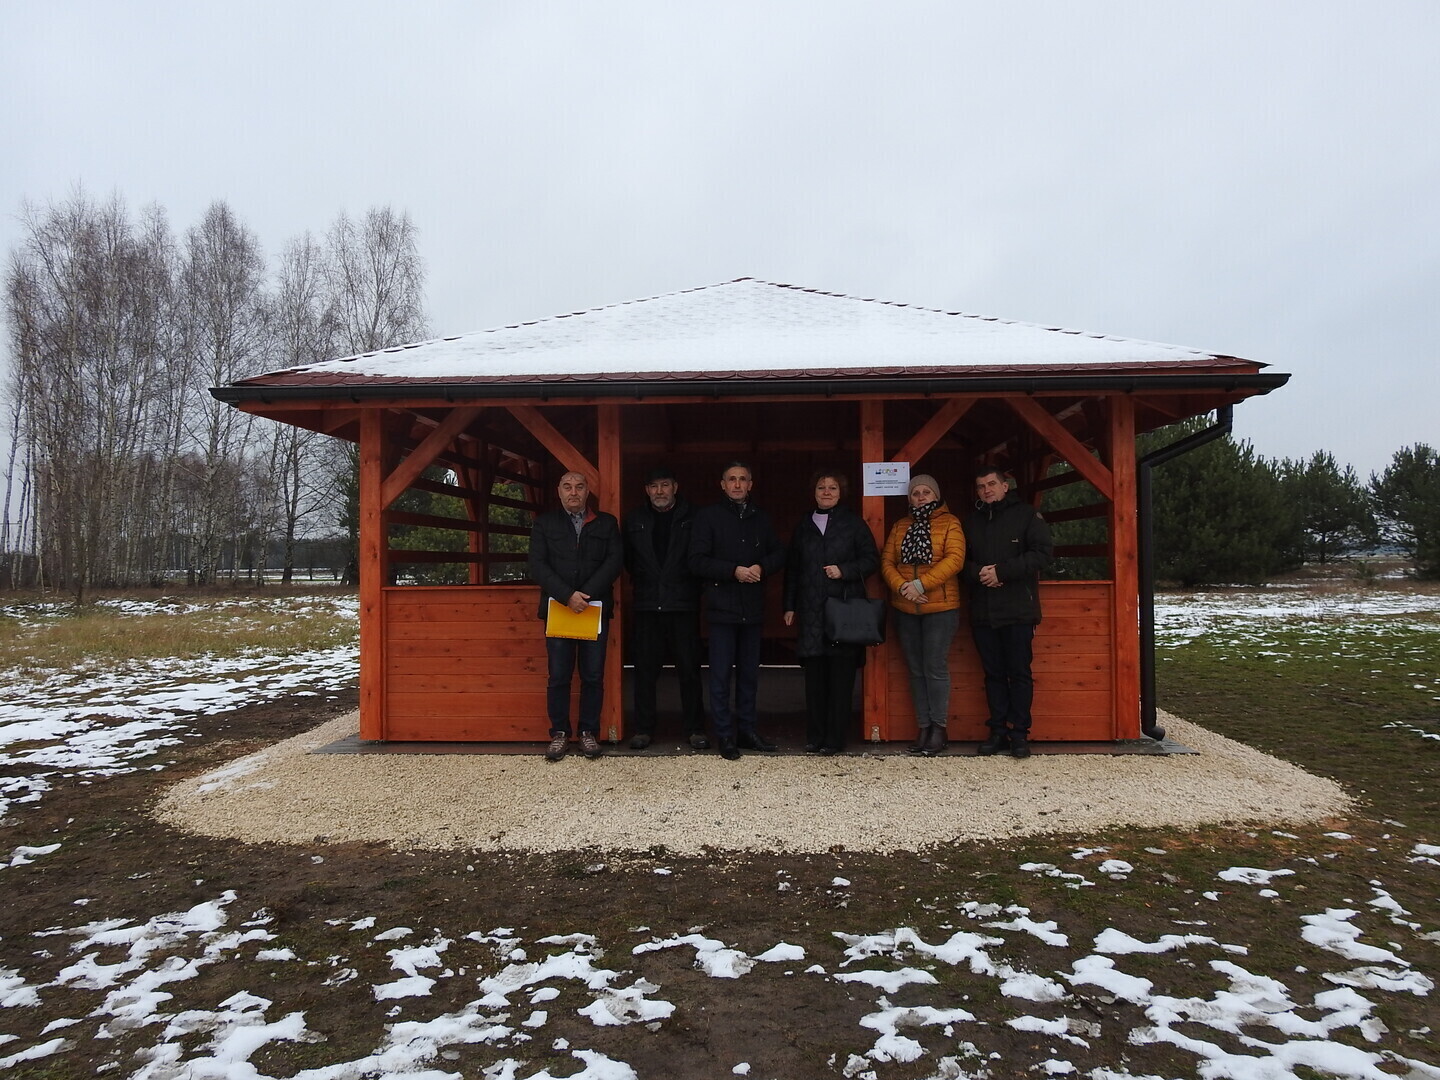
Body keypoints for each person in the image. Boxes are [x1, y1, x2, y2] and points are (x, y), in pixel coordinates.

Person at [689, 461, 785, 761]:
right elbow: (696, 560)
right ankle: (725, 735)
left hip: (753, 609)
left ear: (751, 484)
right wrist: (733, 571)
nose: (737, 484)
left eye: (743, 479)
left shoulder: (761, 517)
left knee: (749, 676)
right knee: (719, 677)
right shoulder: (708, 517)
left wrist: (761, 567)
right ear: (722, 484)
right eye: (732, 479)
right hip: (721, 608)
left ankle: (747, 730)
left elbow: (779, 553)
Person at [528, 471, 623, 762]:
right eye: (567, 486)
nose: (573, 492)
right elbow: (537, 565)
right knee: (559, 675)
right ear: (559, 491)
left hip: (593, 609)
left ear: (587, 492)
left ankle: (588, 733)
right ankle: (559, 733)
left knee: (593, 675)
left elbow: (614, 561)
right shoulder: (544, 524)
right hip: (559, 609)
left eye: (579, 487)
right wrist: (567, 595)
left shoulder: (606, 523)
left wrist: (586, 595)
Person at [783, 471, 880, 755]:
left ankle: (835, 739)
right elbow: (793, 569)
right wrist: (789, 605)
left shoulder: (853, 524)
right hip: (811, 612)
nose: (826, 491)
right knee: (815, 680)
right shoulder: (803, 525)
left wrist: (845, 571)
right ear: (814, 492)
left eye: (832, 487)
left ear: (841, 491)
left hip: (844, 611)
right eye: (821, 487)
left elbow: (870, 559)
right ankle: (815, 737)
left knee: (840, 679)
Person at [962, 467, 1054, 760]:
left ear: (1005, 486)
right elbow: (959, 561)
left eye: (991, 484)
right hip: (983, 610)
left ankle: (1019, 734)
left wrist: (1003, 572)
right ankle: (998, 730)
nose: (986, 490)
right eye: (980, 486)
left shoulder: (1027, 515)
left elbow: (1042, 554)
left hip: (1017, 609)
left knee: (1019, 674)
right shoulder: (972, 521)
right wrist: (979, 574)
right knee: (993, 675)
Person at [880, 473, 965, 757]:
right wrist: (903, 588)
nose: (920, 497)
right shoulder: (900, 525)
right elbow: (887, 561)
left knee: (934, 668)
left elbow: (955, 559)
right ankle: (923, 726)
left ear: (936, 495)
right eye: (916, 493)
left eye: (926, 492)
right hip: (905, 607)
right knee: (916, 670)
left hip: (940, 607)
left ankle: (939, 728)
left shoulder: (950, 522)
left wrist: (920, 584)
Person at [623, 467, 707, 751]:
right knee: (645, 670)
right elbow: (629, 560)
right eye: (654, 486)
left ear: (675, 487)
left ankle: (695, 729)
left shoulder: (694, 517)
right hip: (647, 604)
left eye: (665, 485)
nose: (660, 491)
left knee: (689, 670)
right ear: (646, 490)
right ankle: (644, 729)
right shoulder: (634, 519)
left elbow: (700, 558)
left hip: (683, 604)